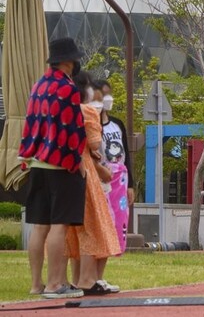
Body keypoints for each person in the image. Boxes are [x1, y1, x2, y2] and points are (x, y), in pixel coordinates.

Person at [19, 37, 87, 299]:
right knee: (60, 225)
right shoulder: (67, 88)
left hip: (36, 162)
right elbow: (72, 129)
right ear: (69, 60)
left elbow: (30, 123)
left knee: (40, 226)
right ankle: (55, 283)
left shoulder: (38, 85)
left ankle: (36, 284)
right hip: (61, 164)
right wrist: (76, 162)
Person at [65, 72, 120, 296]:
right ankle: (89, 279)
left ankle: (77, 278)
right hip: (86, 171)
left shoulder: (64, 110)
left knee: (74, 230)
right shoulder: (87, 111)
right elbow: (95, 142)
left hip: (66, 171)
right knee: (94, 225)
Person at [96, 79, 132, 293]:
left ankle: (100, 276)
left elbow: (127, 154)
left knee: (115, 227)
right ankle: (93, 277)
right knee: (101, 225)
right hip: (100, 180)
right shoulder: (90, 124)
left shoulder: (117, 124)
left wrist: (131, 185)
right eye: (103, 95)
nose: (107, 99)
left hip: (119, 182)